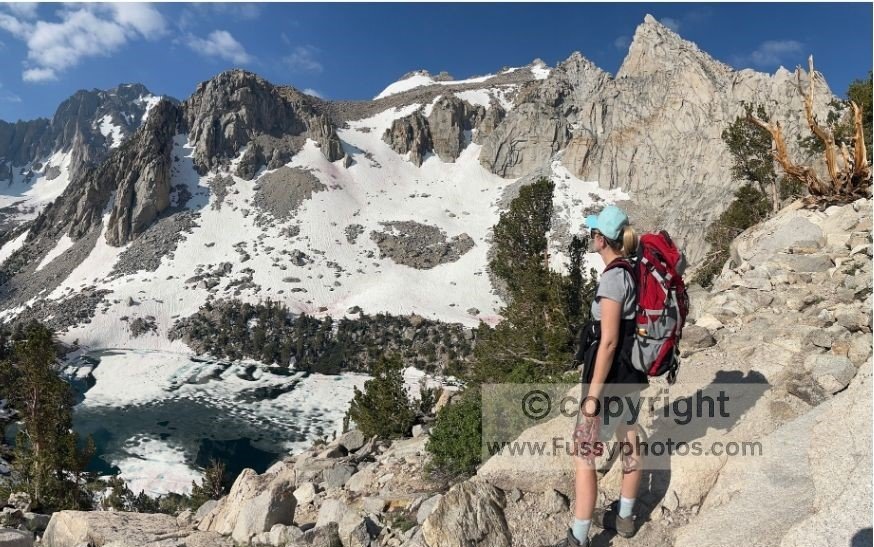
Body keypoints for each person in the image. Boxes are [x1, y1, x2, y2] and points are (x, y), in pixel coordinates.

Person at [557, 205, 647, 547]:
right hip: (632, 375)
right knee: (629, 438)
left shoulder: (612, 278)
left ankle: (578, 537)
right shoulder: (634, 268)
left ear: (602, 239)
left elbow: (608, 341)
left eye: (593, 232)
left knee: (584, 455)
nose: (590, 237)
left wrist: (592, 397)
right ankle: (625, 517)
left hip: (609, 380)